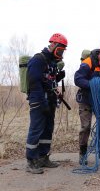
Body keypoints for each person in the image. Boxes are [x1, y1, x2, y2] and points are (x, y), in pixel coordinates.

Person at [26, 33, 68, 174]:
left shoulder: (52, 62)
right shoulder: (38, 59)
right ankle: (31, 161)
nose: (61, 53)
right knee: (36, 129)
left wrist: (57, 76)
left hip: (50, 101)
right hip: (39, 101)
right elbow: (34, 82)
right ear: (53, 45)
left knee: (48, 129)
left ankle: (43, 157)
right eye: (60, 50)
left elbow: (48, 79)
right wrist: (41, 102)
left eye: (63, 51)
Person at [74, 44, 100, 164]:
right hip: (86, 100)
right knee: (86, 126)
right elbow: (77, 79)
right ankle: (82, 154)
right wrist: (93, 85)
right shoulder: (88, 62)